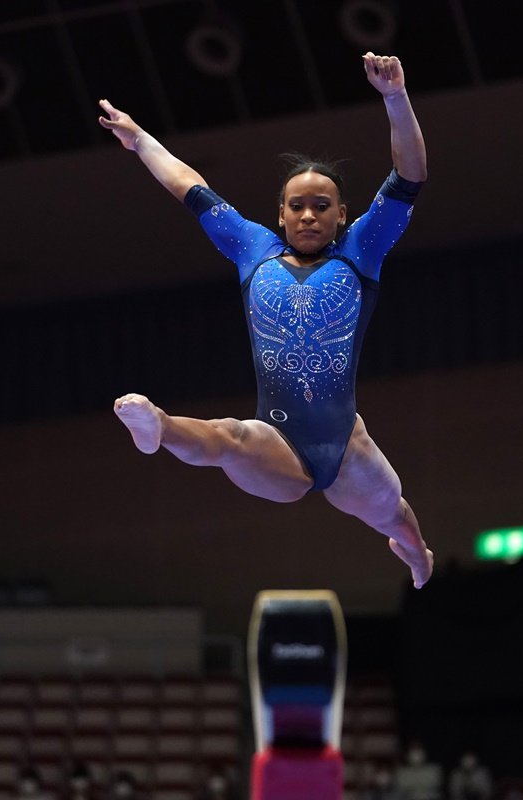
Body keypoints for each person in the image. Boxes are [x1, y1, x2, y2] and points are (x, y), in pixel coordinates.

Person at [100, 52, 433, 588]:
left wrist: (395, 97)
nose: (308, 215)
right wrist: (141, 141)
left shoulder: (362, 250)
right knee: (227, 438)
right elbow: (190, 187)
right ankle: (156, 426)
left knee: (395, 516)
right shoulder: (253, 249)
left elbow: (409, 176)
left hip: (347, 446)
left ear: (341, 213)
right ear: (279, 214)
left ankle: (418, 556)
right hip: (275, 442)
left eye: (321, 206)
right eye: (297, 206)